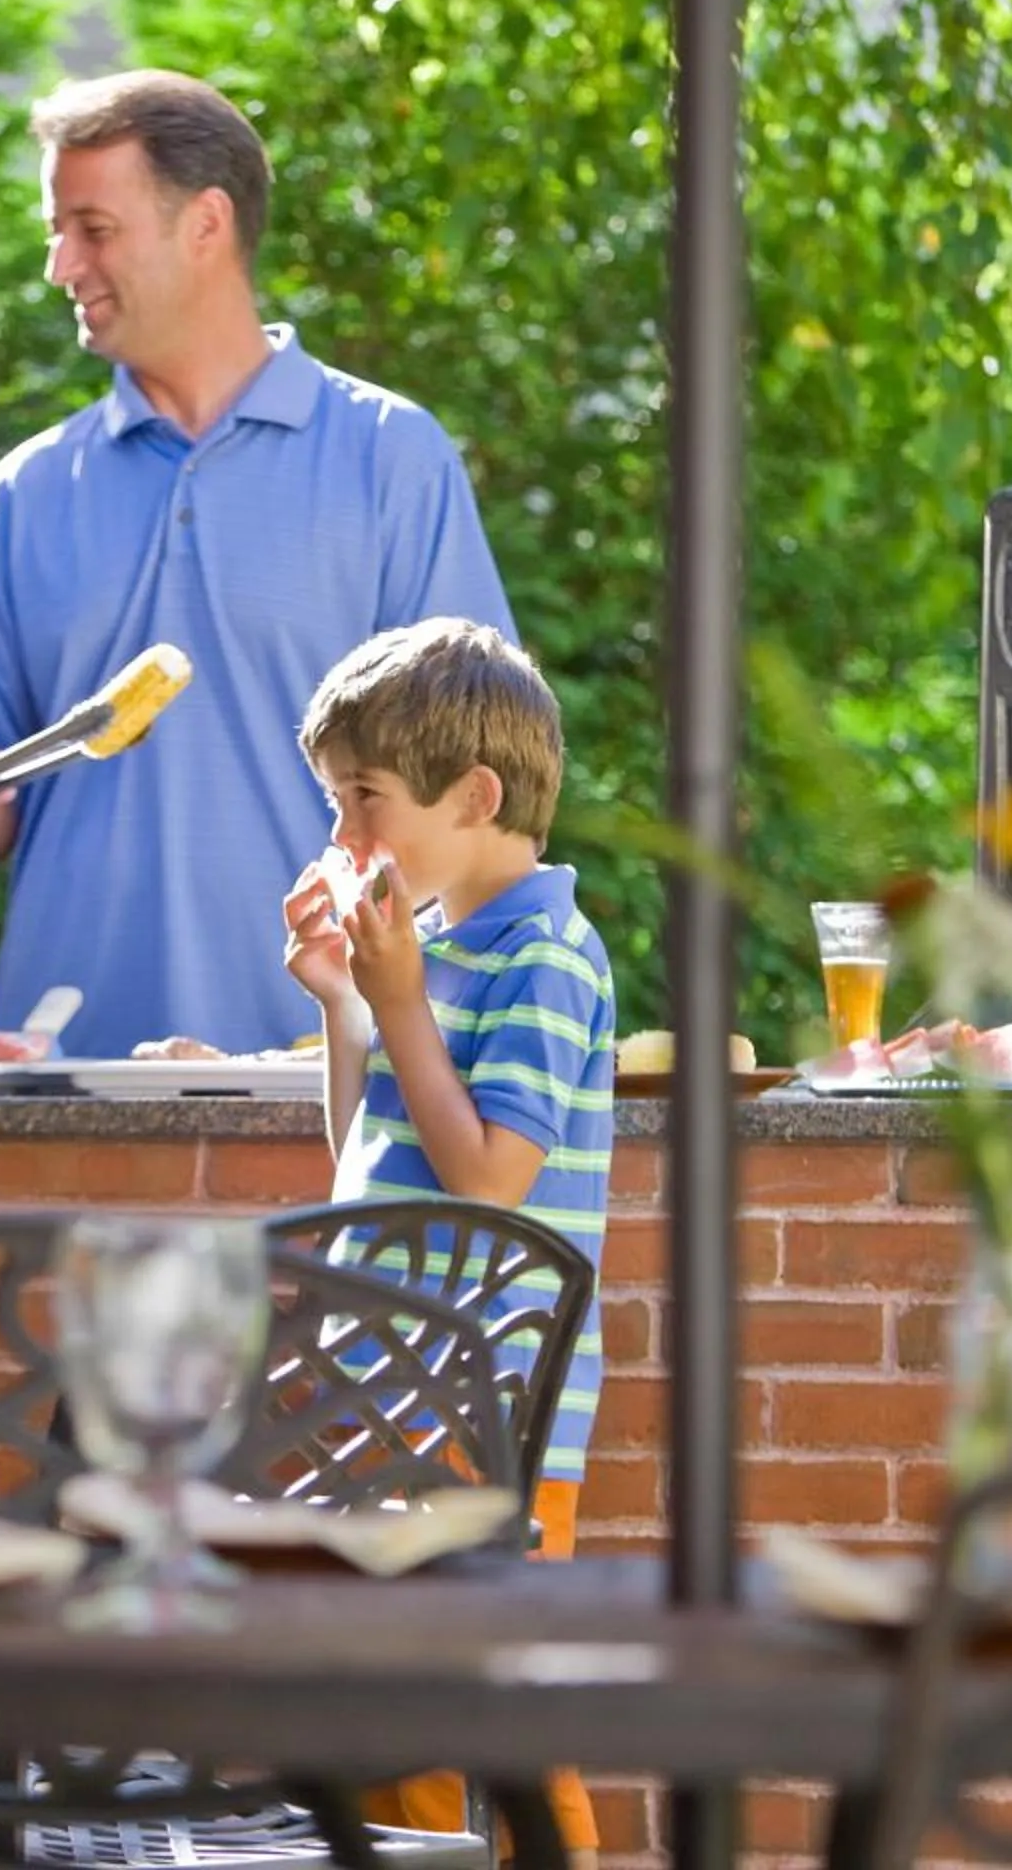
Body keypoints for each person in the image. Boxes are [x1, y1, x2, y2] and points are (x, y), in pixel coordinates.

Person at [0, 69, 515, 1060]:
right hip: (68, 1070)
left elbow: (483, 781)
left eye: (92, 229)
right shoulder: (18, 496)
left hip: (332, 1063)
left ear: (207, 223)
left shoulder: (390, 456)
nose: (59, 265)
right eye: (56, 231)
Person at [279, 618, 614, 1867]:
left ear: (475, 796)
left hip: (483, 1406)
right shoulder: (445, 948)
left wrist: (402, 997)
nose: (340, 838)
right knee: (398, 1725)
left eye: (361, 800)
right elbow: (371, 1171)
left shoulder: (545, 952)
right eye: (333, 803)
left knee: (505, 1714)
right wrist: (346, 1006)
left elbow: (488, 1179)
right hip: (392, 1388)